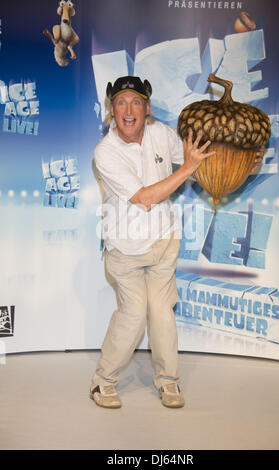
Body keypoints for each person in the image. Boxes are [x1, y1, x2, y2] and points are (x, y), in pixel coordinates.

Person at [90, 75, 262, 409]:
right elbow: (145, 198)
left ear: (147, 108)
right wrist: (189, 168)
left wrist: (243, 166)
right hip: (125, 251)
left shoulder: (162, 134)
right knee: (134, 314)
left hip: (164, 243)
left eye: (136, 102)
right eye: (121, 102)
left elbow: (200, 164)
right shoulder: (105, 152)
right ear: (112, 110)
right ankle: (102, 382)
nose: (129, 110)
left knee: (162, 313)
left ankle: (168, 382)